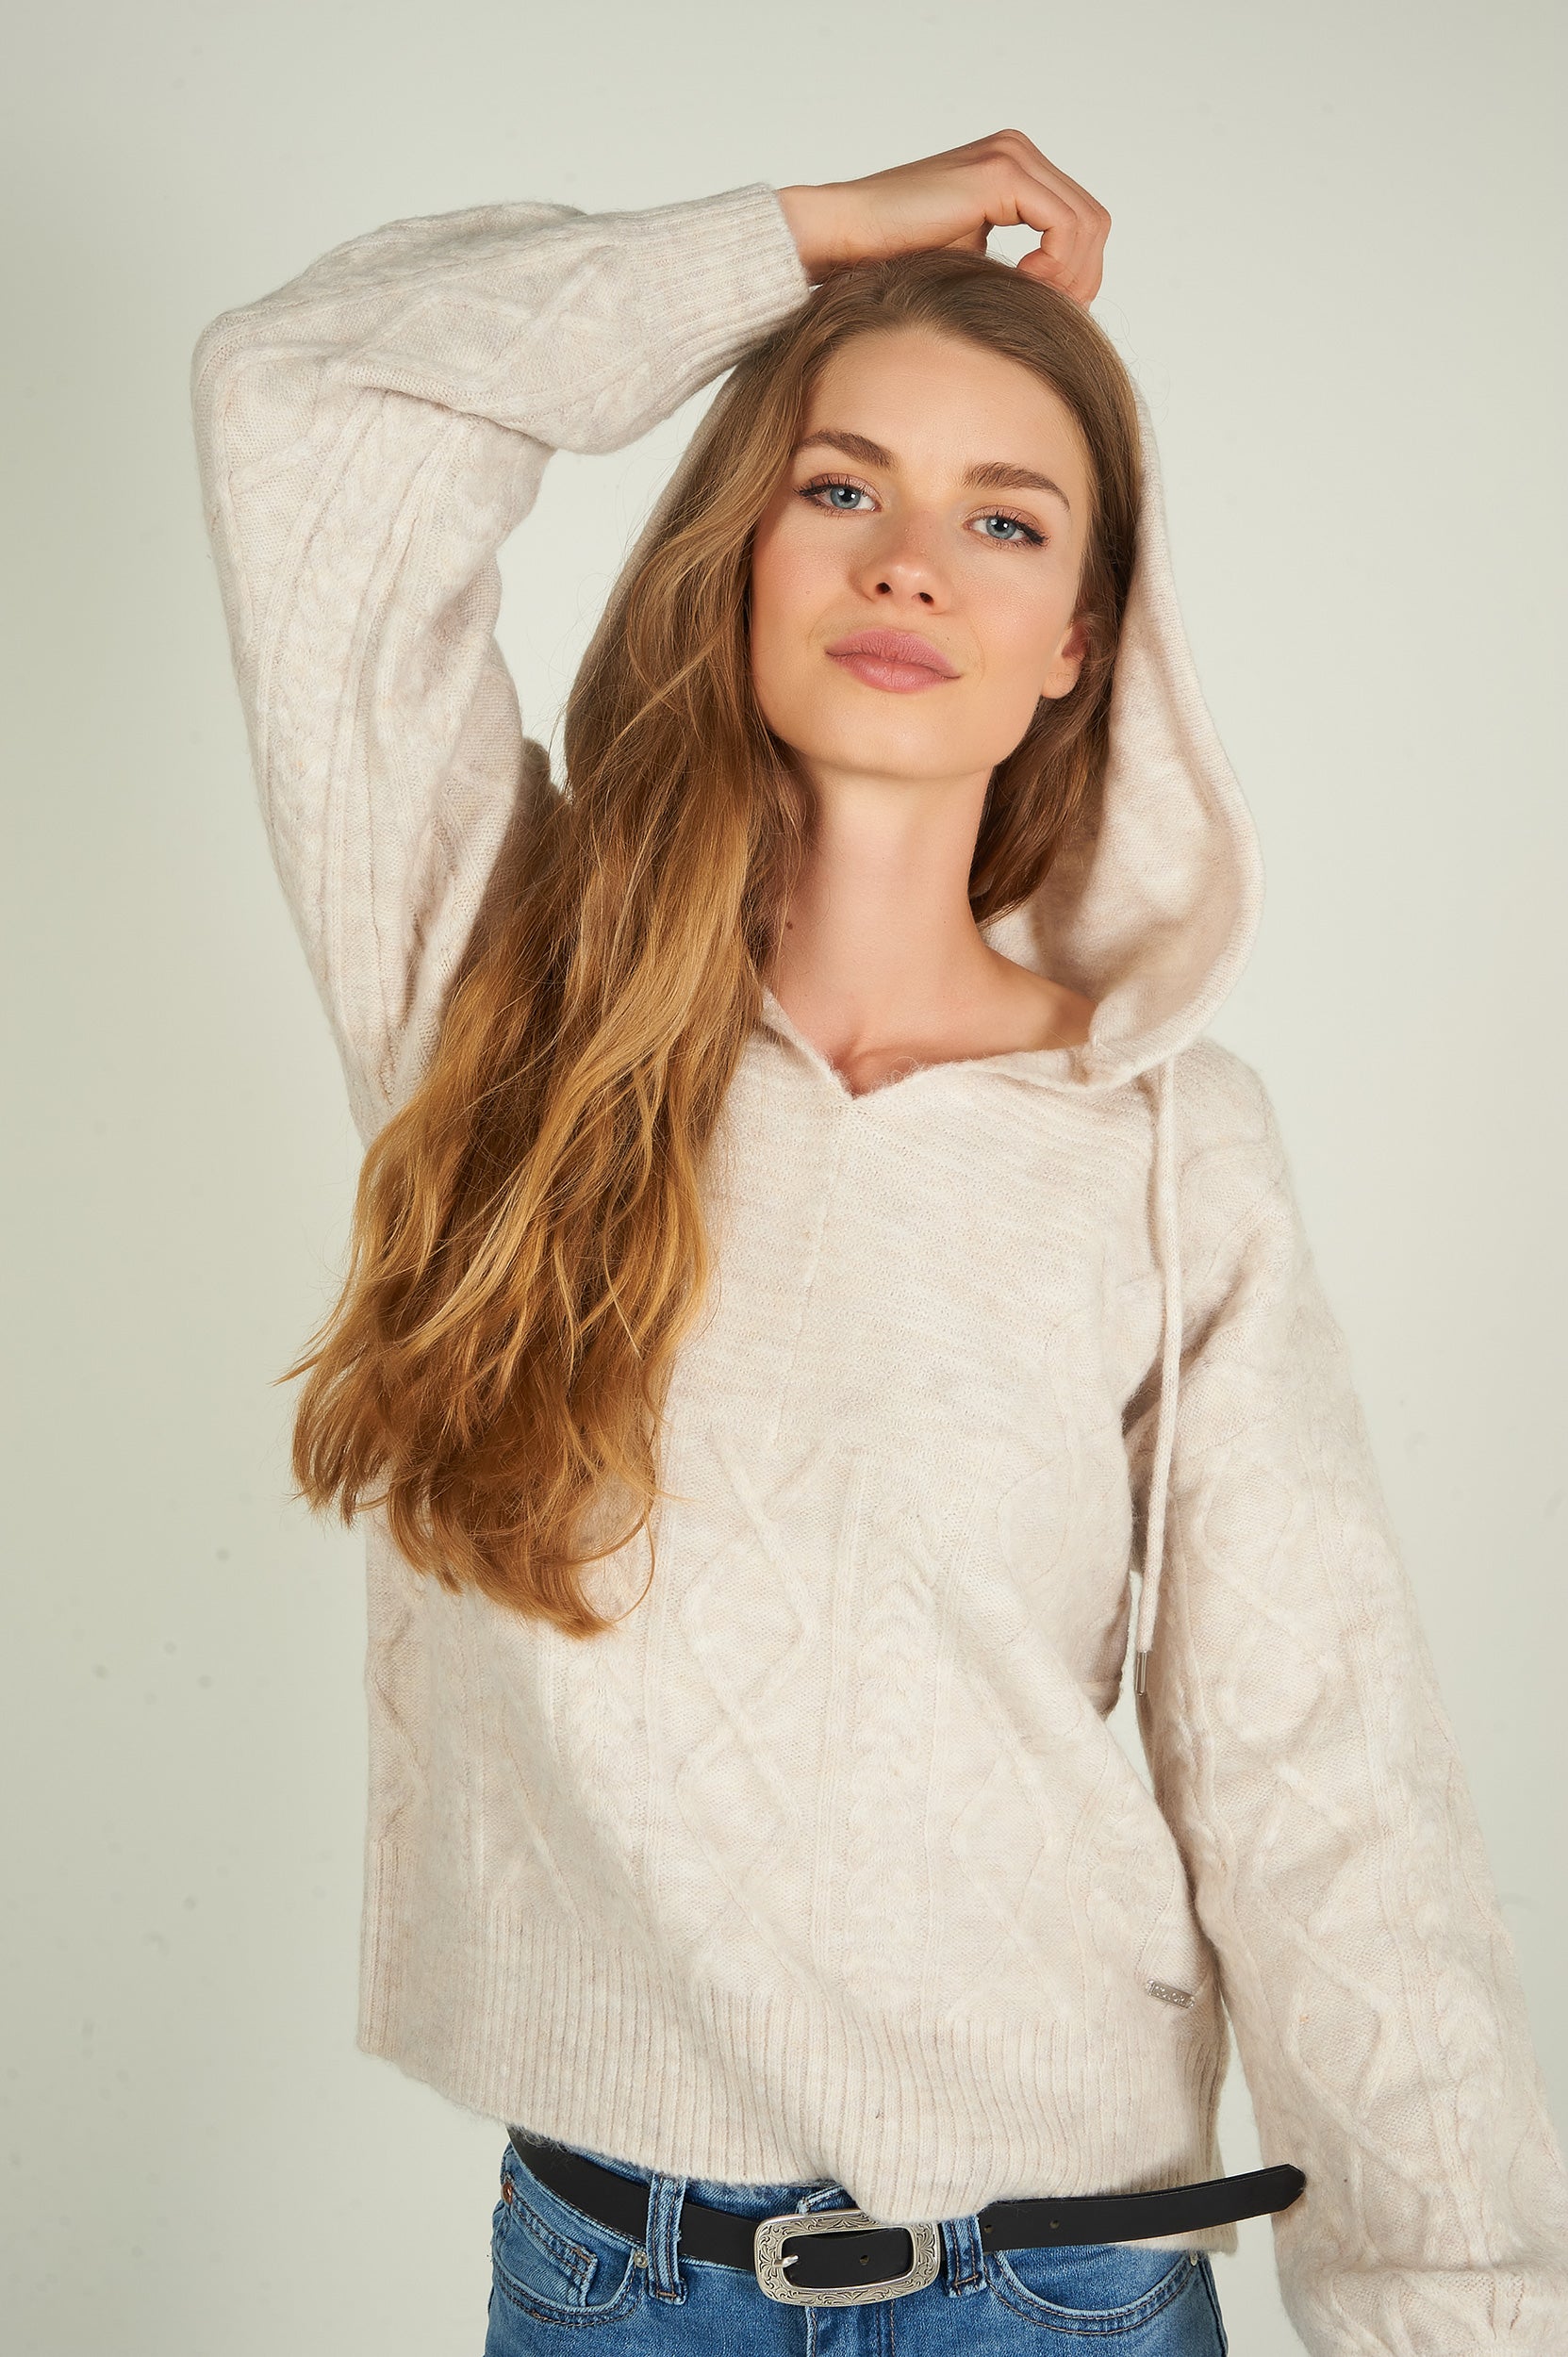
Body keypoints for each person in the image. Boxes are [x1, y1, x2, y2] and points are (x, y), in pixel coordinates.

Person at [190, 133, 1568, 2353]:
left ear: (1077, 642)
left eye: (1002, 520)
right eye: (839, 486)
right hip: (617, 2276)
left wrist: (1453, 2303)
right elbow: (313, 392)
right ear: (738, 552)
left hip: (1055, 2277)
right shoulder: (504, 1003)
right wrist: (797, 243)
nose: (911, 560)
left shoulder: (1162, 1144)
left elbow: (1318, 1765)